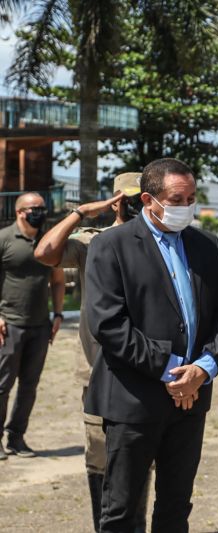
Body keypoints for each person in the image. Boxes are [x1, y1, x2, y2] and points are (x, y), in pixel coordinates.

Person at [84, 158, 218, 532]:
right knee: (120, 510)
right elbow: (108, 324)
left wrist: (203, 369)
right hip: (133, 400)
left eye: (191, 198)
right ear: (148, 200)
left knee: (176, 507)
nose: (186, 207)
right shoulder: (111, 245)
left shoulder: (205, 245)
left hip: (191, 399)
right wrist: (171, 370)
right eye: (176, 200)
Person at [33, 172, 149, 532]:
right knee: (100, 456)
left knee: (140, 457)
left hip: (147, 367)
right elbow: (45, 253)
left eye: (140, 198)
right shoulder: (91, 241)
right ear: (115, 201)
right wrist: (81, 212)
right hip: (98, 369)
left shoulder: (158, 241)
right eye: (127, 199)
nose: (133, 206)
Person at [0, 193, 65, 460]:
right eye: (34, 208)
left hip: (40, 326)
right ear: (20, 212)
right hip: (9, 325)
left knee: (29, 386)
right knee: (2, 385)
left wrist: (58, 314)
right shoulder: (4, 239)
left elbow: (58, 280)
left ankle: (16, 437)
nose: (40, 212)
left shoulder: (49, 241)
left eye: (42, 208)